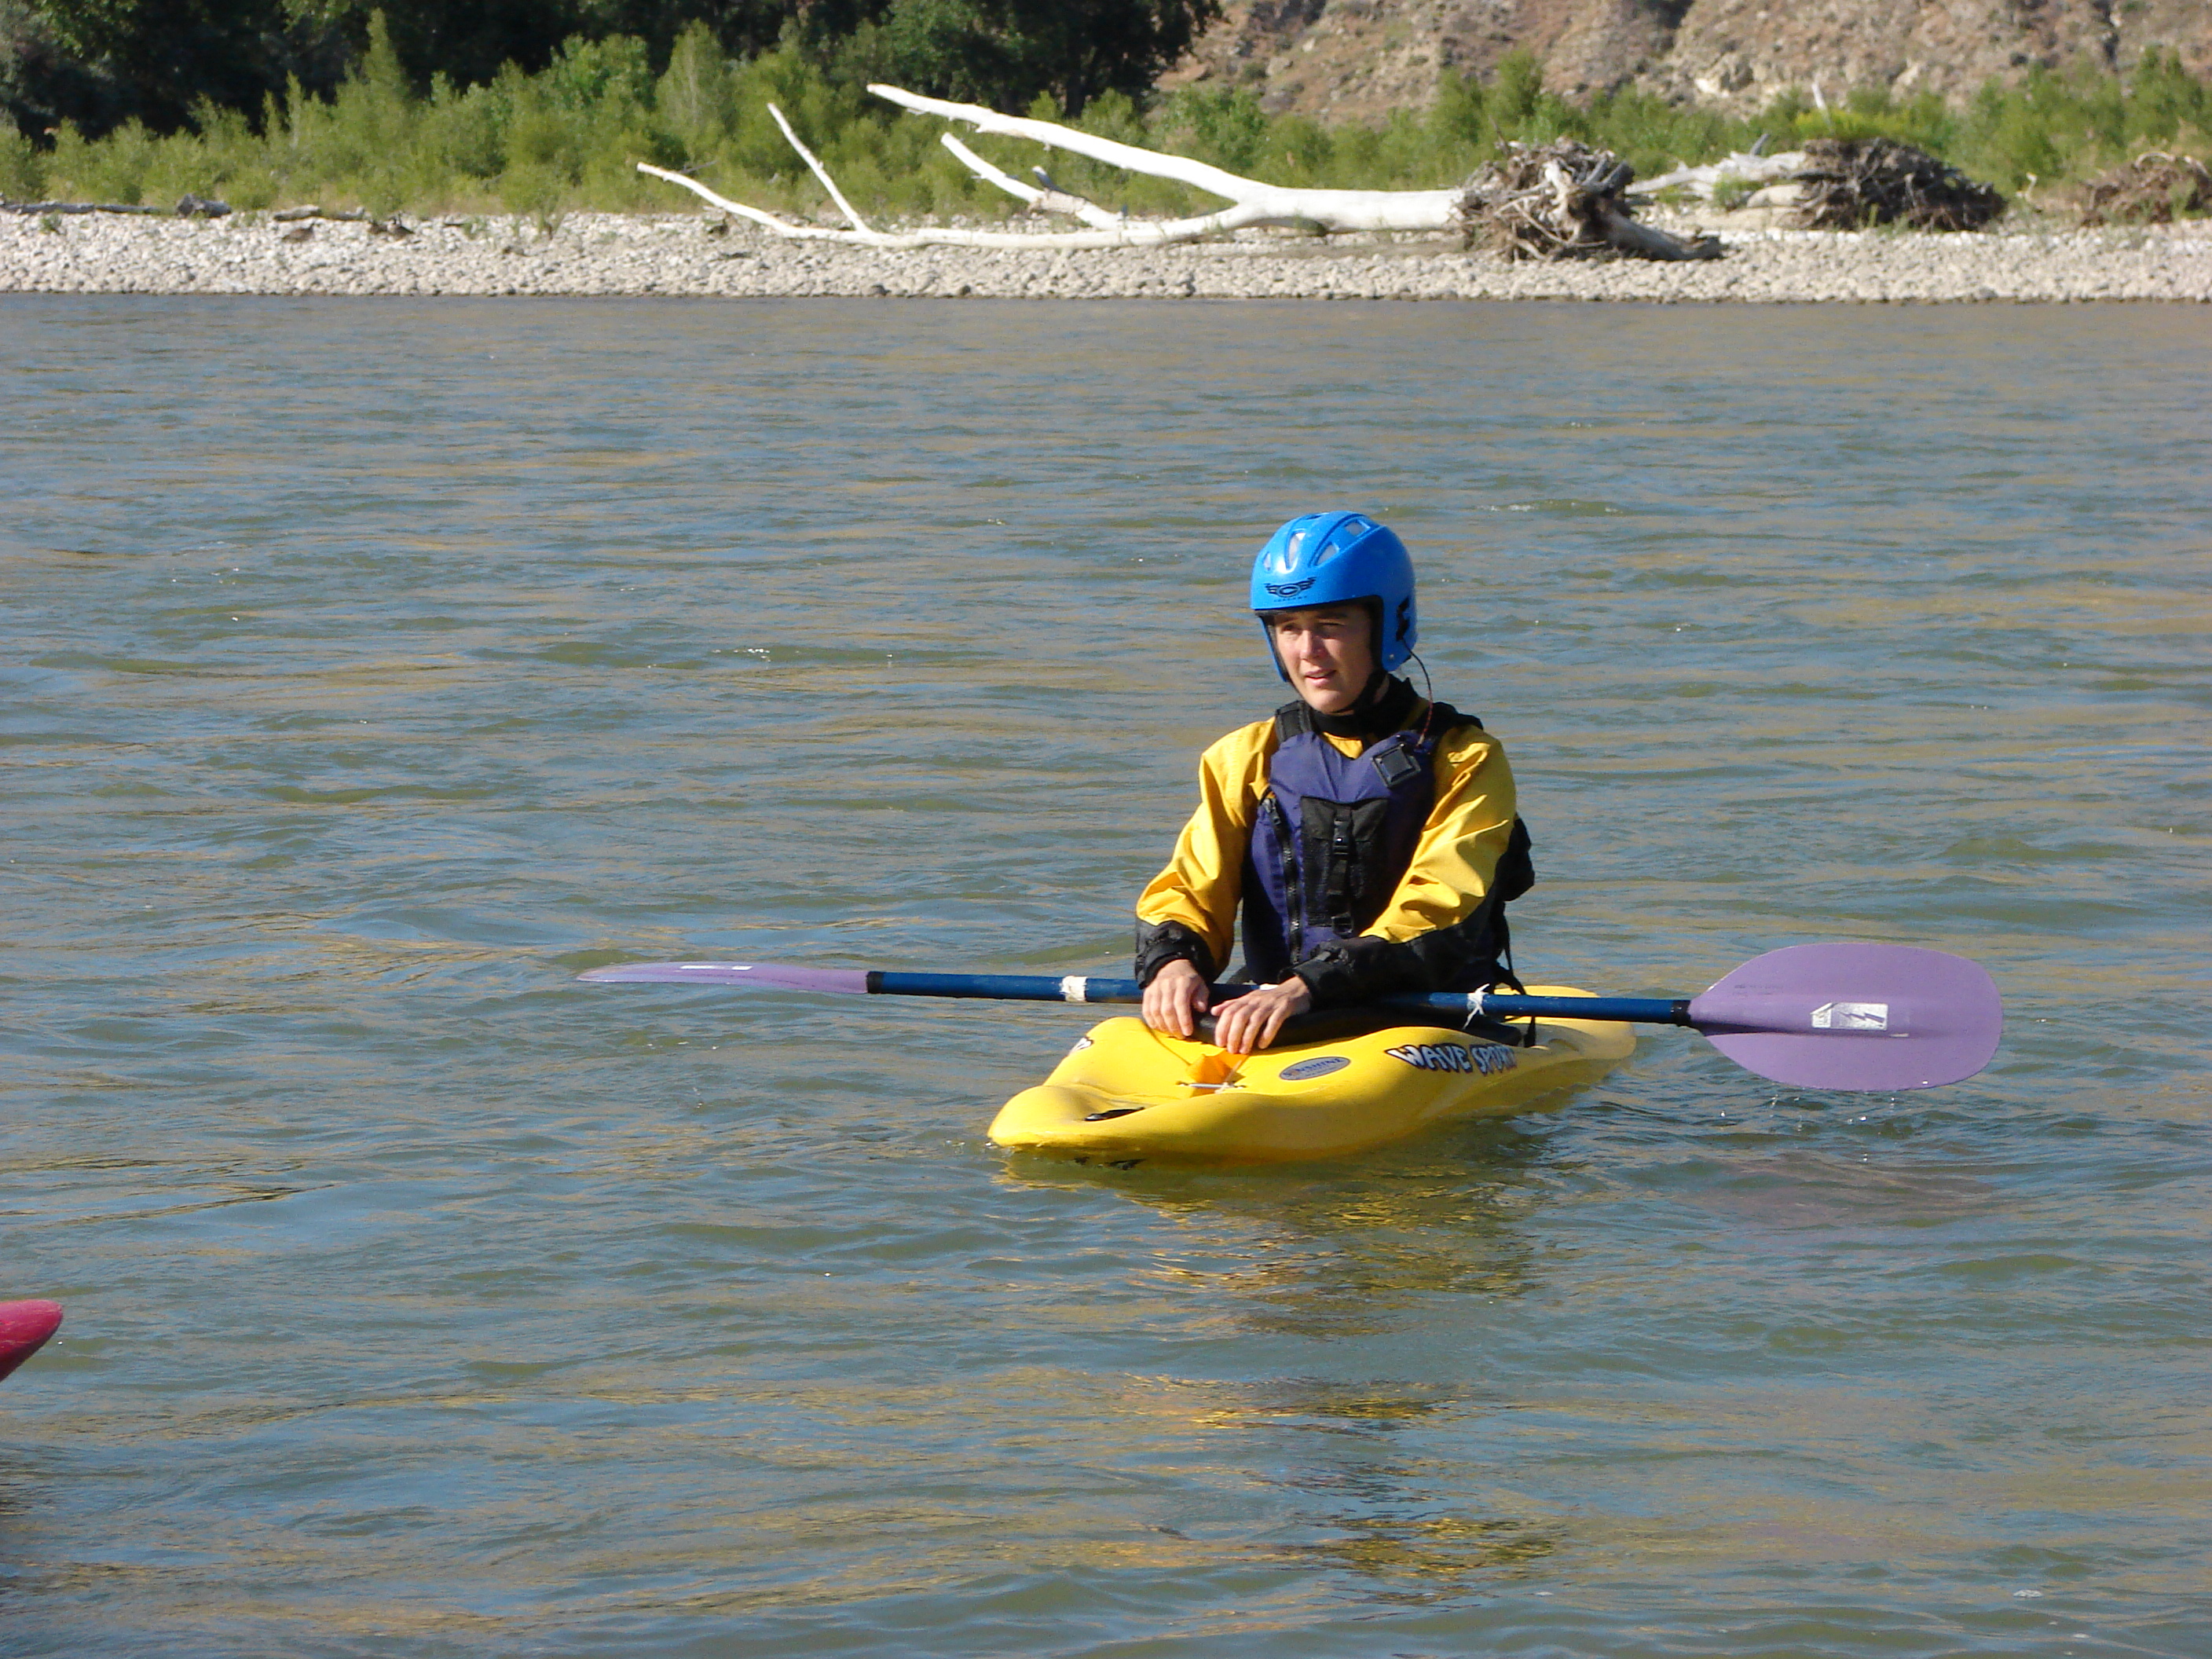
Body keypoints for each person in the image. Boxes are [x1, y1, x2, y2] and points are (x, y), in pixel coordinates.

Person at [1134, 511, 1532, 1055]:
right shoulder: (1247, 755)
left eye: (1331, 625)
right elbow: (1189, 886)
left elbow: (1441, 905)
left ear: (1388, 626)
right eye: (1288, 627)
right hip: (1274, 1012)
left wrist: (1308, 986)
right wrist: (1173, 961)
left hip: (1422, 1019)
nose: (1307, 652)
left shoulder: (1466, 759)